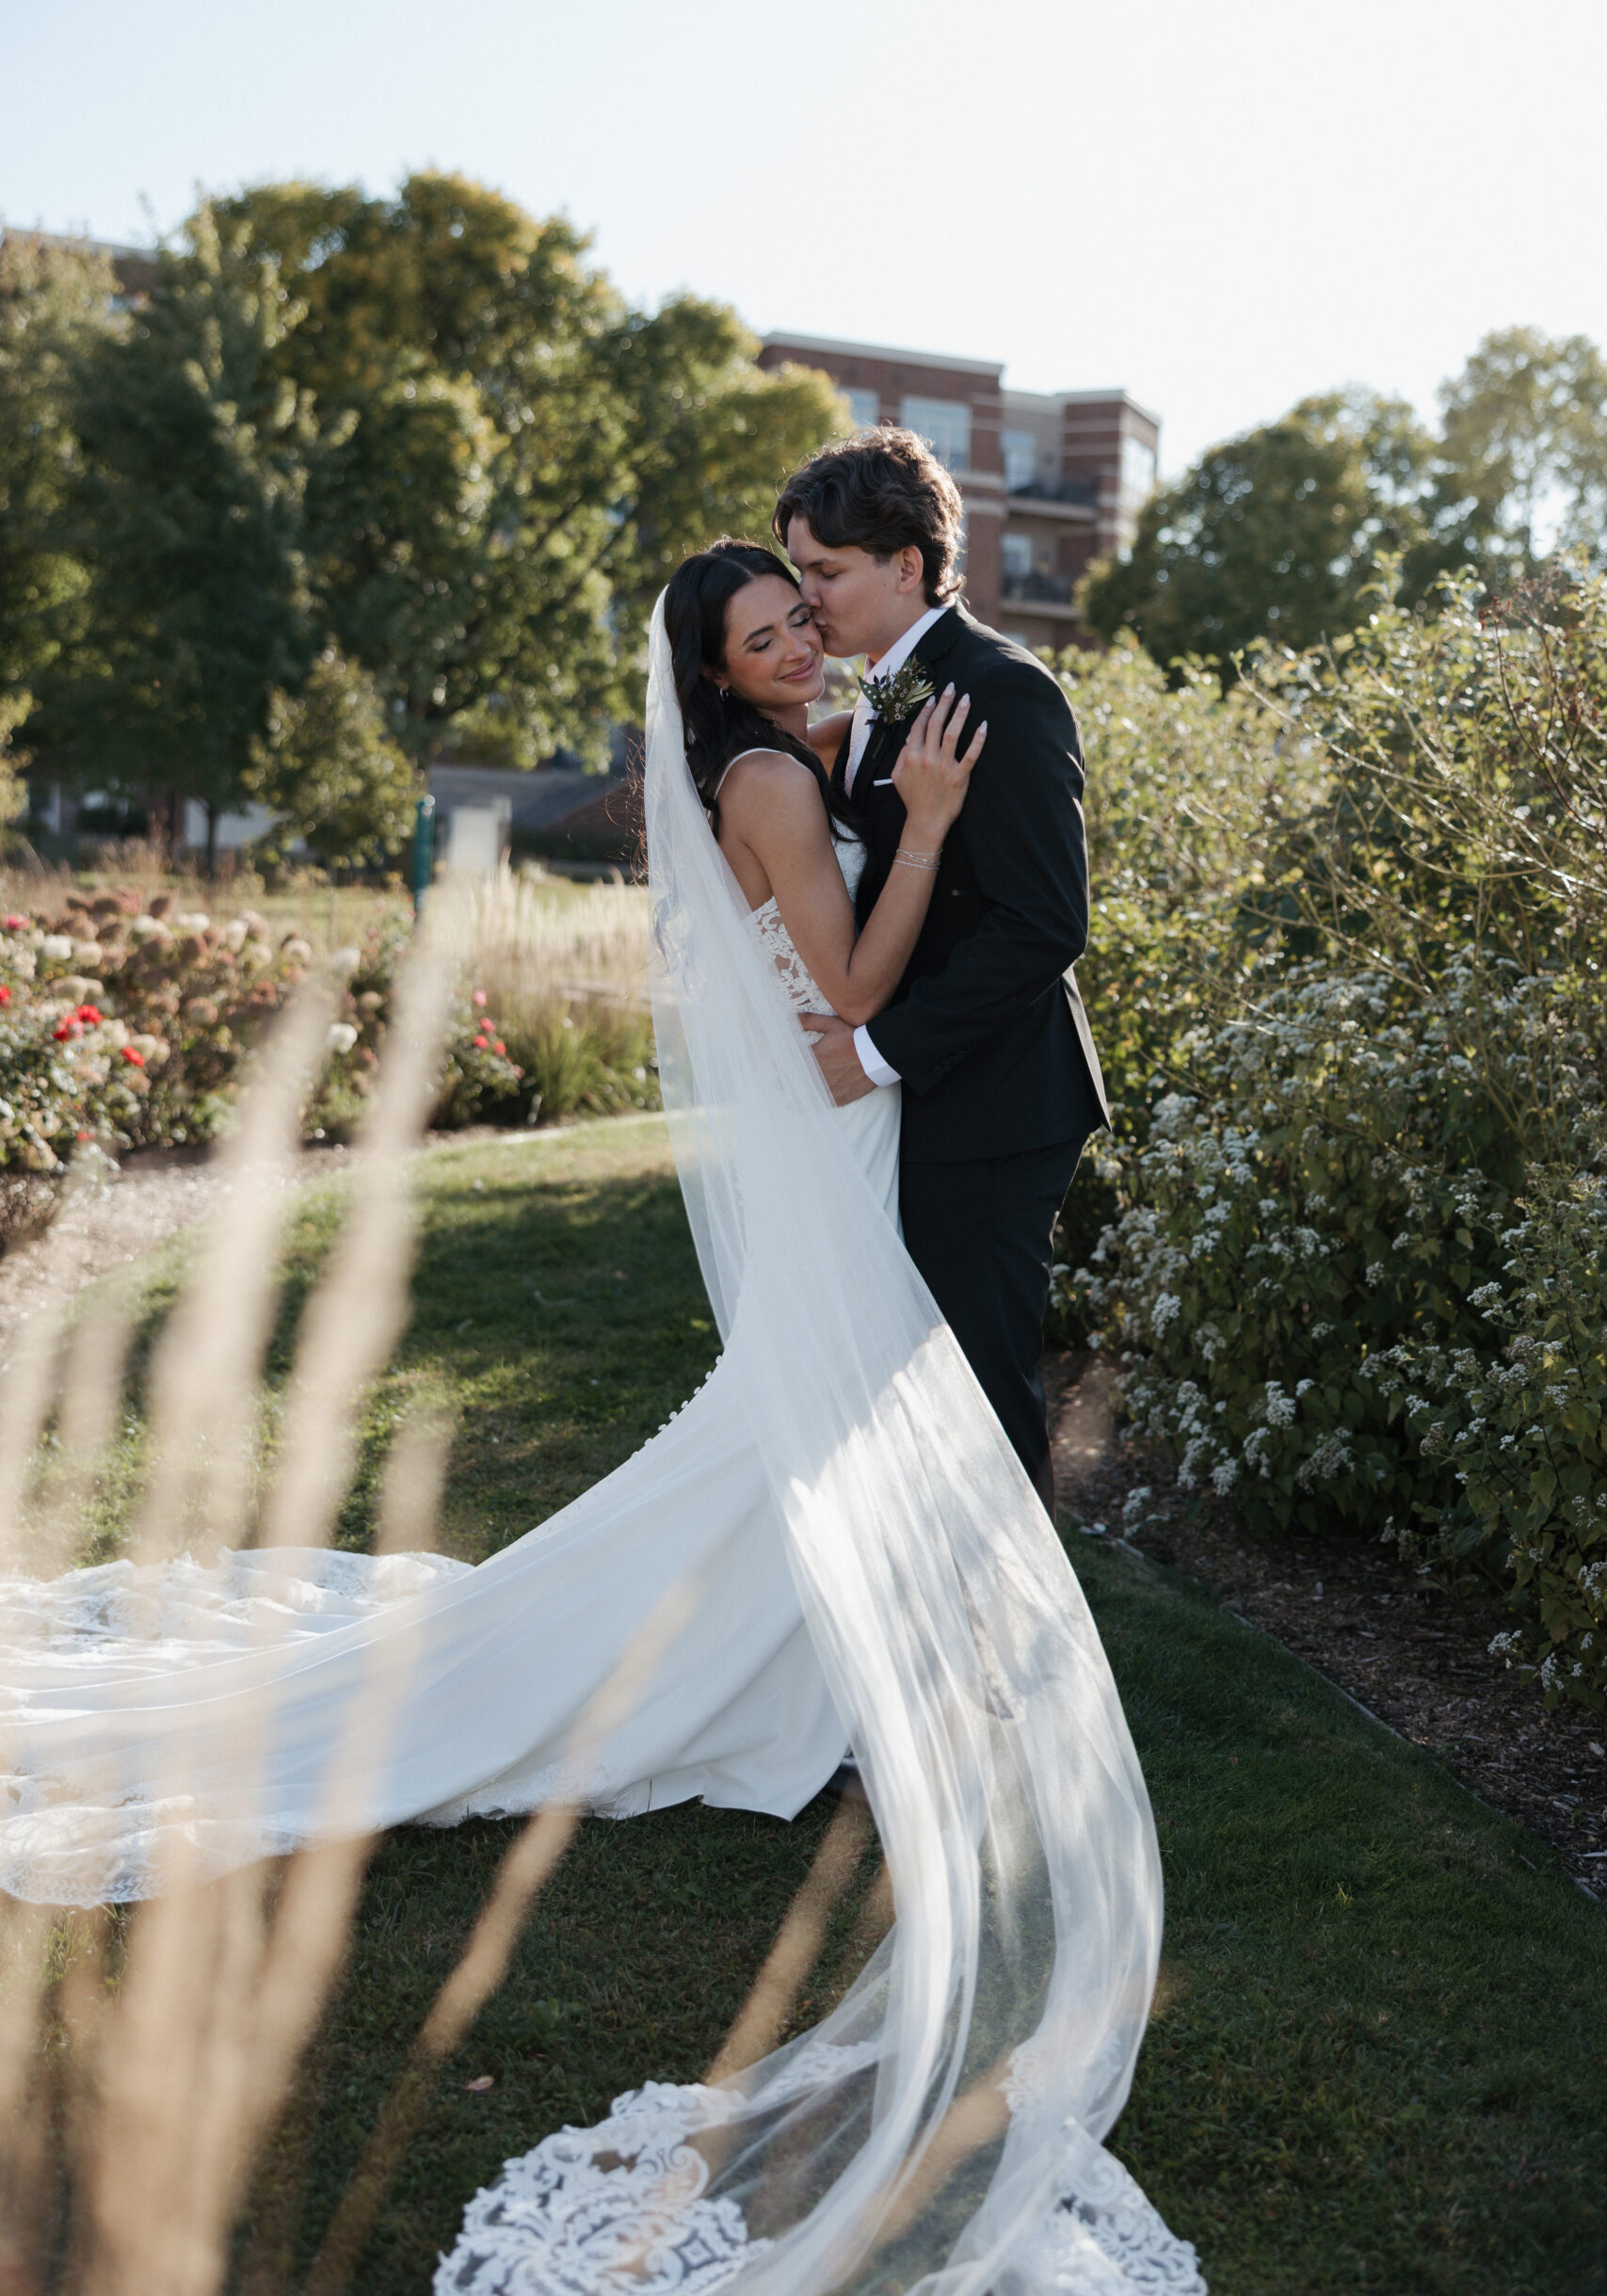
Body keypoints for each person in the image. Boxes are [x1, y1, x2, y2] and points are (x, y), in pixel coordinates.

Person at [0, 544, 1199, 2296]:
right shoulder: (781, 777)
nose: (799, 648)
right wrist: (928, 819)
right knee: (788, 1433)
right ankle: (748, 1675)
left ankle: (810, 1670)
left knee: (789, 1434)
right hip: (854, 1127)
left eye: (804, 618)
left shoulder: (779, 760)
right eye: (766, 636)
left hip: (853, 1143)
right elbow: (852, 994)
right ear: (715, 672)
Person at [775, 428, 1110, 1513]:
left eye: (825, 572)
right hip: (925, 1099)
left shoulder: (1000, 691)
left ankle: (1019, 1660)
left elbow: (1044, 921)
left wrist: (875, 1052)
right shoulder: (889, 688)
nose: (806, 600)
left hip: (998, 1105)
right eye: (799, 574)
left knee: (980, 1392)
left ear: (905, 563)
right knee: (908, 1385)